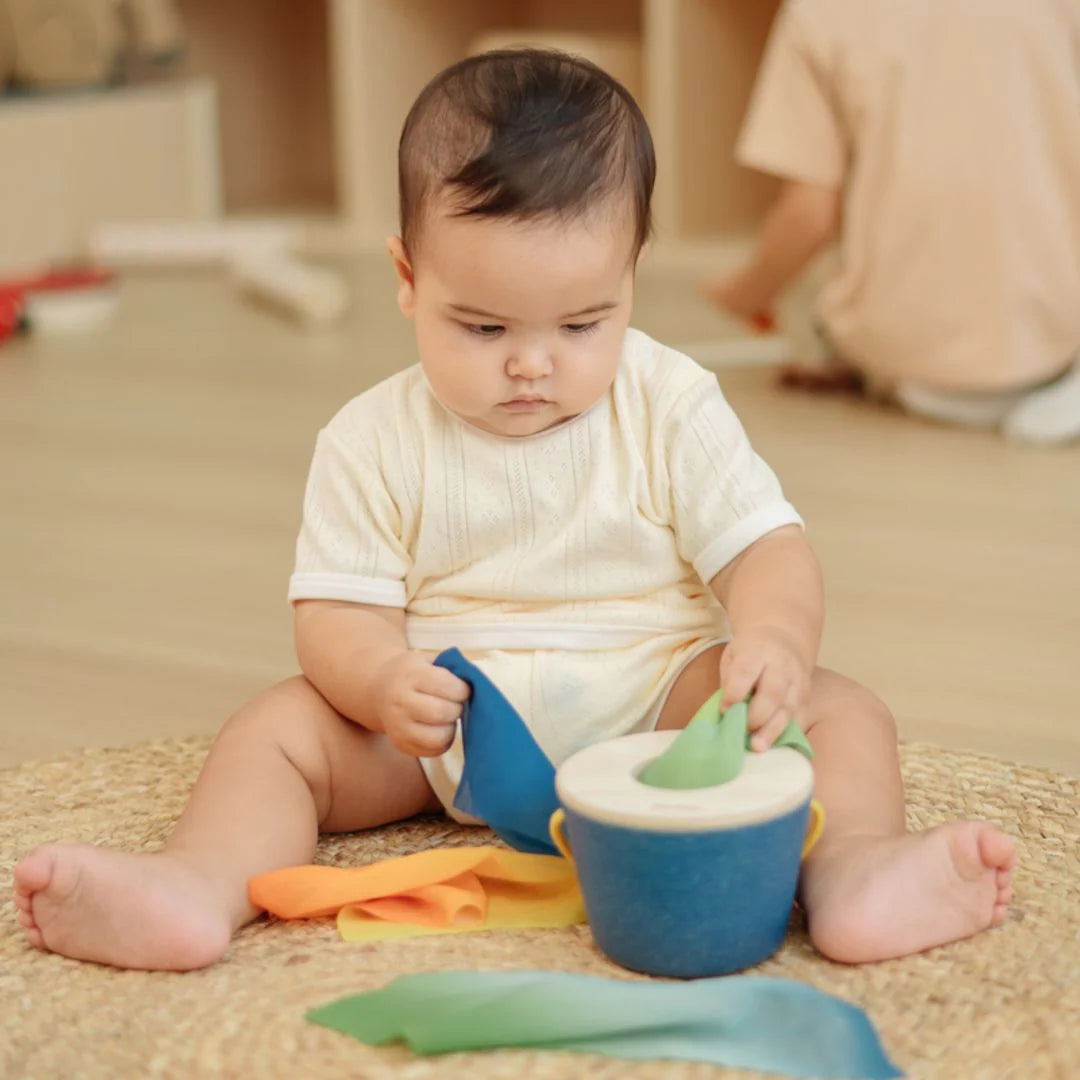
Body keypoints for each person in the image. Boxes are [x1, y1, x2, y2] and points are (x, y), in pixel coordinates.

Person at [13, 49, 1015, 972]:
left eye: (583, 323)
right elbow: (334, 614)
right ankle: (198, 883)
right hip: (448, 729)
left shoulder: (670, 400)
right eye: (483, 325)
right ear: (408, 280)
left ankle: (860, 871)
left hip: (660, 706)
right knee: (275, 730)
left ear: (630, 279)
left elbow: (767, 550)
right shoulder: (370, 438)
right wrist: (378, 681)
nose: (533, 363)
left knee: (840, 710)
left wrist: (774, 641)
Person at [705, 0, 1080, 445]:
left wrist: (747, 293)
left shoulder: (818, 14)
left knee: (836, 305)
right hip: (1054, 338)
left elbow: (809, 216)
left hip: (908, 363)